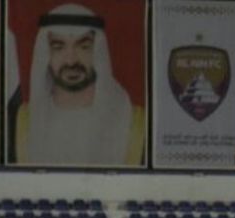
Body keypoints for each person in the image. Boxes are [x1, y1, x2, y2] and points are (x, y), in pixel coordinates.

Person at [11, 3, 144, 165]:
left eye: (84, 46)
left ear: (98, 52)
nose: (71, 60)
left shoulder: (134, 125)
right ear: (46, 54)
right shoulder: (21, 126)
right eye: (58, 47)